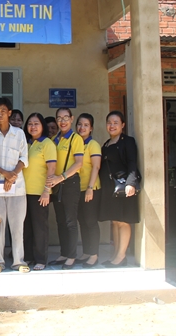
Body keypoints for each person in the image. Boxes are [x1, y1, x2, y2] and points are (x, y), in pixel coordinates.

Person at [0, 97, 30, 273]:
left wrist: (12, 177)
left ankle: (19, 261)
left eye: (3, 111)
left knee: (17, 226)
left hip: (17, 188)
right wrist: (5, 174)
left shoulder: (19, 133)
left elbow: (23, 158)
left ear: (9, 113)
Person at [98, 110, 140, 268]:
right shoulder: (106, 144)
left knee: (123, 221)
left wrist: (131, 183)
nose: (112, 125)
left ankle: (121, 256)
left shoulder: (127, 141)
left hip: (124, 187)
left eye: (116, 122)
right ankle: (116, 254)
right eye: (109, 122)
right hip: (110, 189)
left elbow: (132, 163)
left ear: (123, 125)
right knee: (115, 222)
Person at [45, 108, 84, 270]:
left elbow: (78, 163)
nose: (62, 121)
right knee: (60, 221)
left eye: (66, 118)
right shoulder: (54, 139)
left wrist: (61, 177)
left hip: (70, 183)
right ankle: (64, 253)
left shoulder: (76, 139)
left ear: (71, 119)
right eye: (59, 118)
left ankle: (72, 256)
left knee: (70, 221)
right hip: (56, 184)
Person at [22, 113, 57, 271]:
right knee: (26, 227)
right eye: (30, 123)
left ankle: (41, 259)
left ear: (42, 126)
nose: (33, 126)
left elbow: (52, 168)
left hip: (39, 192)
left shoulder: (47, 143)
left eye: (36, 123)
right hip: (23, 192)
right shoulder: (27, 143)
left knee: (39, 227)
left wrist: (46, 191)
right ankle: (28, 257)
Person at [75, 113, 102, 268]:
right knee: (82, 221)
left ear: (91, 128)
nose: (82, 127)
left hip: (91, 188)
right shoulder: (77, 143)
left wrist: (90, 188)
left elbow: (96, 167)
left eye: (86, 125)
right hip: (78, 189)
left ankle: (94, 255)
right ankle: (86, 252)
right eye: (79, 124)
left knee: (91, 221)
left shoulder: (93, 145)